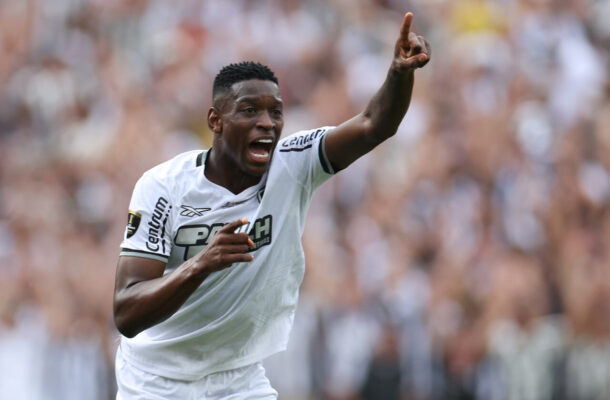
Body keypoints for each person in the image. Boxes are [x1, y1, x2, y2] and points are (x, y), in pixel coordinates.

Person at [113, 12, 430, 399]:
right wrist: (200, 264)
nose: (267, 123)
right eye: (249, 111)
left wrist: (400, 74)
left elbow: (373, 124)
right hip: (157, 380)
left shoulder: (293, 165)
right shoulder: (163, 187)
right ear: (215, 120)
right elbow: (126, 312)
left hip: (238, 378)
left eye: (275, 111)